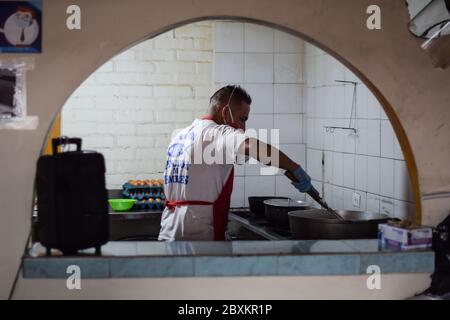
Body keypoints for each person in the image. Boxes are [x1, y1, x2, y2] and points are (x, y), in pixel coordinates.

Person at [158, 85, 312, 241]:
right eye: (242, 119)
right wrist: (294, 167)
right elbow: (252, 146)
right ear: (225, 112)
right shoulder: (217, 133)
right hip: (199, 239)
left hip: (168, 231)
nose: (243, 127)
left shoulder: (180, 135)